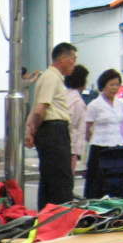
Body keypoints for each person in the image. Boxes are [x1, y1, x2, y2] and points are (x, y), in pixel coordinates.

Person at [25, 42, 78, 210]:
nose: (74, 65)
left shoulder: (50, 77)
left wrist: (30, 129)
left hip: (51, 130)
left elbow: (36, 107)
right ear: (63, 59)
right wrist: (34, 127)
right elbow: (40, 110)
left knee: (51, 179)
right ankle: (59, 219)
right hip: (53, 131)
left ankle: (48, 219)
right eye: (73, 59)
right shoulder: (51, 77)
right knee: (60, 180)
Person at [84, 69, 123, 199]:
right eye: (111, 85)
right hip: (100, 147)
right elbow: (87, 128)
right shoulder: (94, 105)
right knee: (97, 183)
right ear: (103, 85)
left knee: (117, 182)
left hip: (117, 145)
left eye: (117, 85)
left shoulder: (120, 104)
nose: (114, 88)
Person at [64, 65, 89, 175]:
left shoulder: (66, 94)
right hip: (71, 144)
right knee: (68, 175)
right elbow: (71, 122)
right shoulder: (76, 101)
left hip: (67, 144)